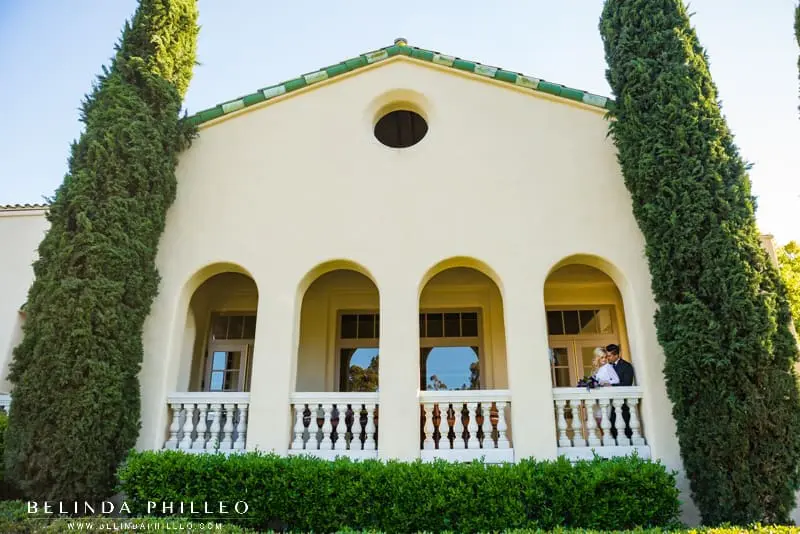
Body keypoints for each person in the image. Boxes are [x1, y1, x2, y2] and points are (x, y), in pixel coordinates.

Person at [605, 344, 634, 439]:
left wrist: (611, 385)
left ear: (617, 355)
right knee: (612, 429)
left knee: (625, 428)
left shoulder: (626, 366)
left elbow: (627, 383)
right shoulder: (607, 367)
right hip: (609, 402)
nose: (607, 358)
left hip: (622, 404)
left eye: (609, 356)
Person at [590, 347, 619, 427]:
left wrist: (607, 382)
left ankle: (607, 438)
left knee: (604, 422)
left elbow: (616, 380)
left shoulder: (608, 367)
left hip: (605, 397)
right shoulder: (596, 369)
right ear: (597, 358)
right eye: (602, 357)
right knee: (598, 423)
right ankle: (605, 438)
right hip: (597, 398)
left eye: (605, 357)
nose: (604, 359)